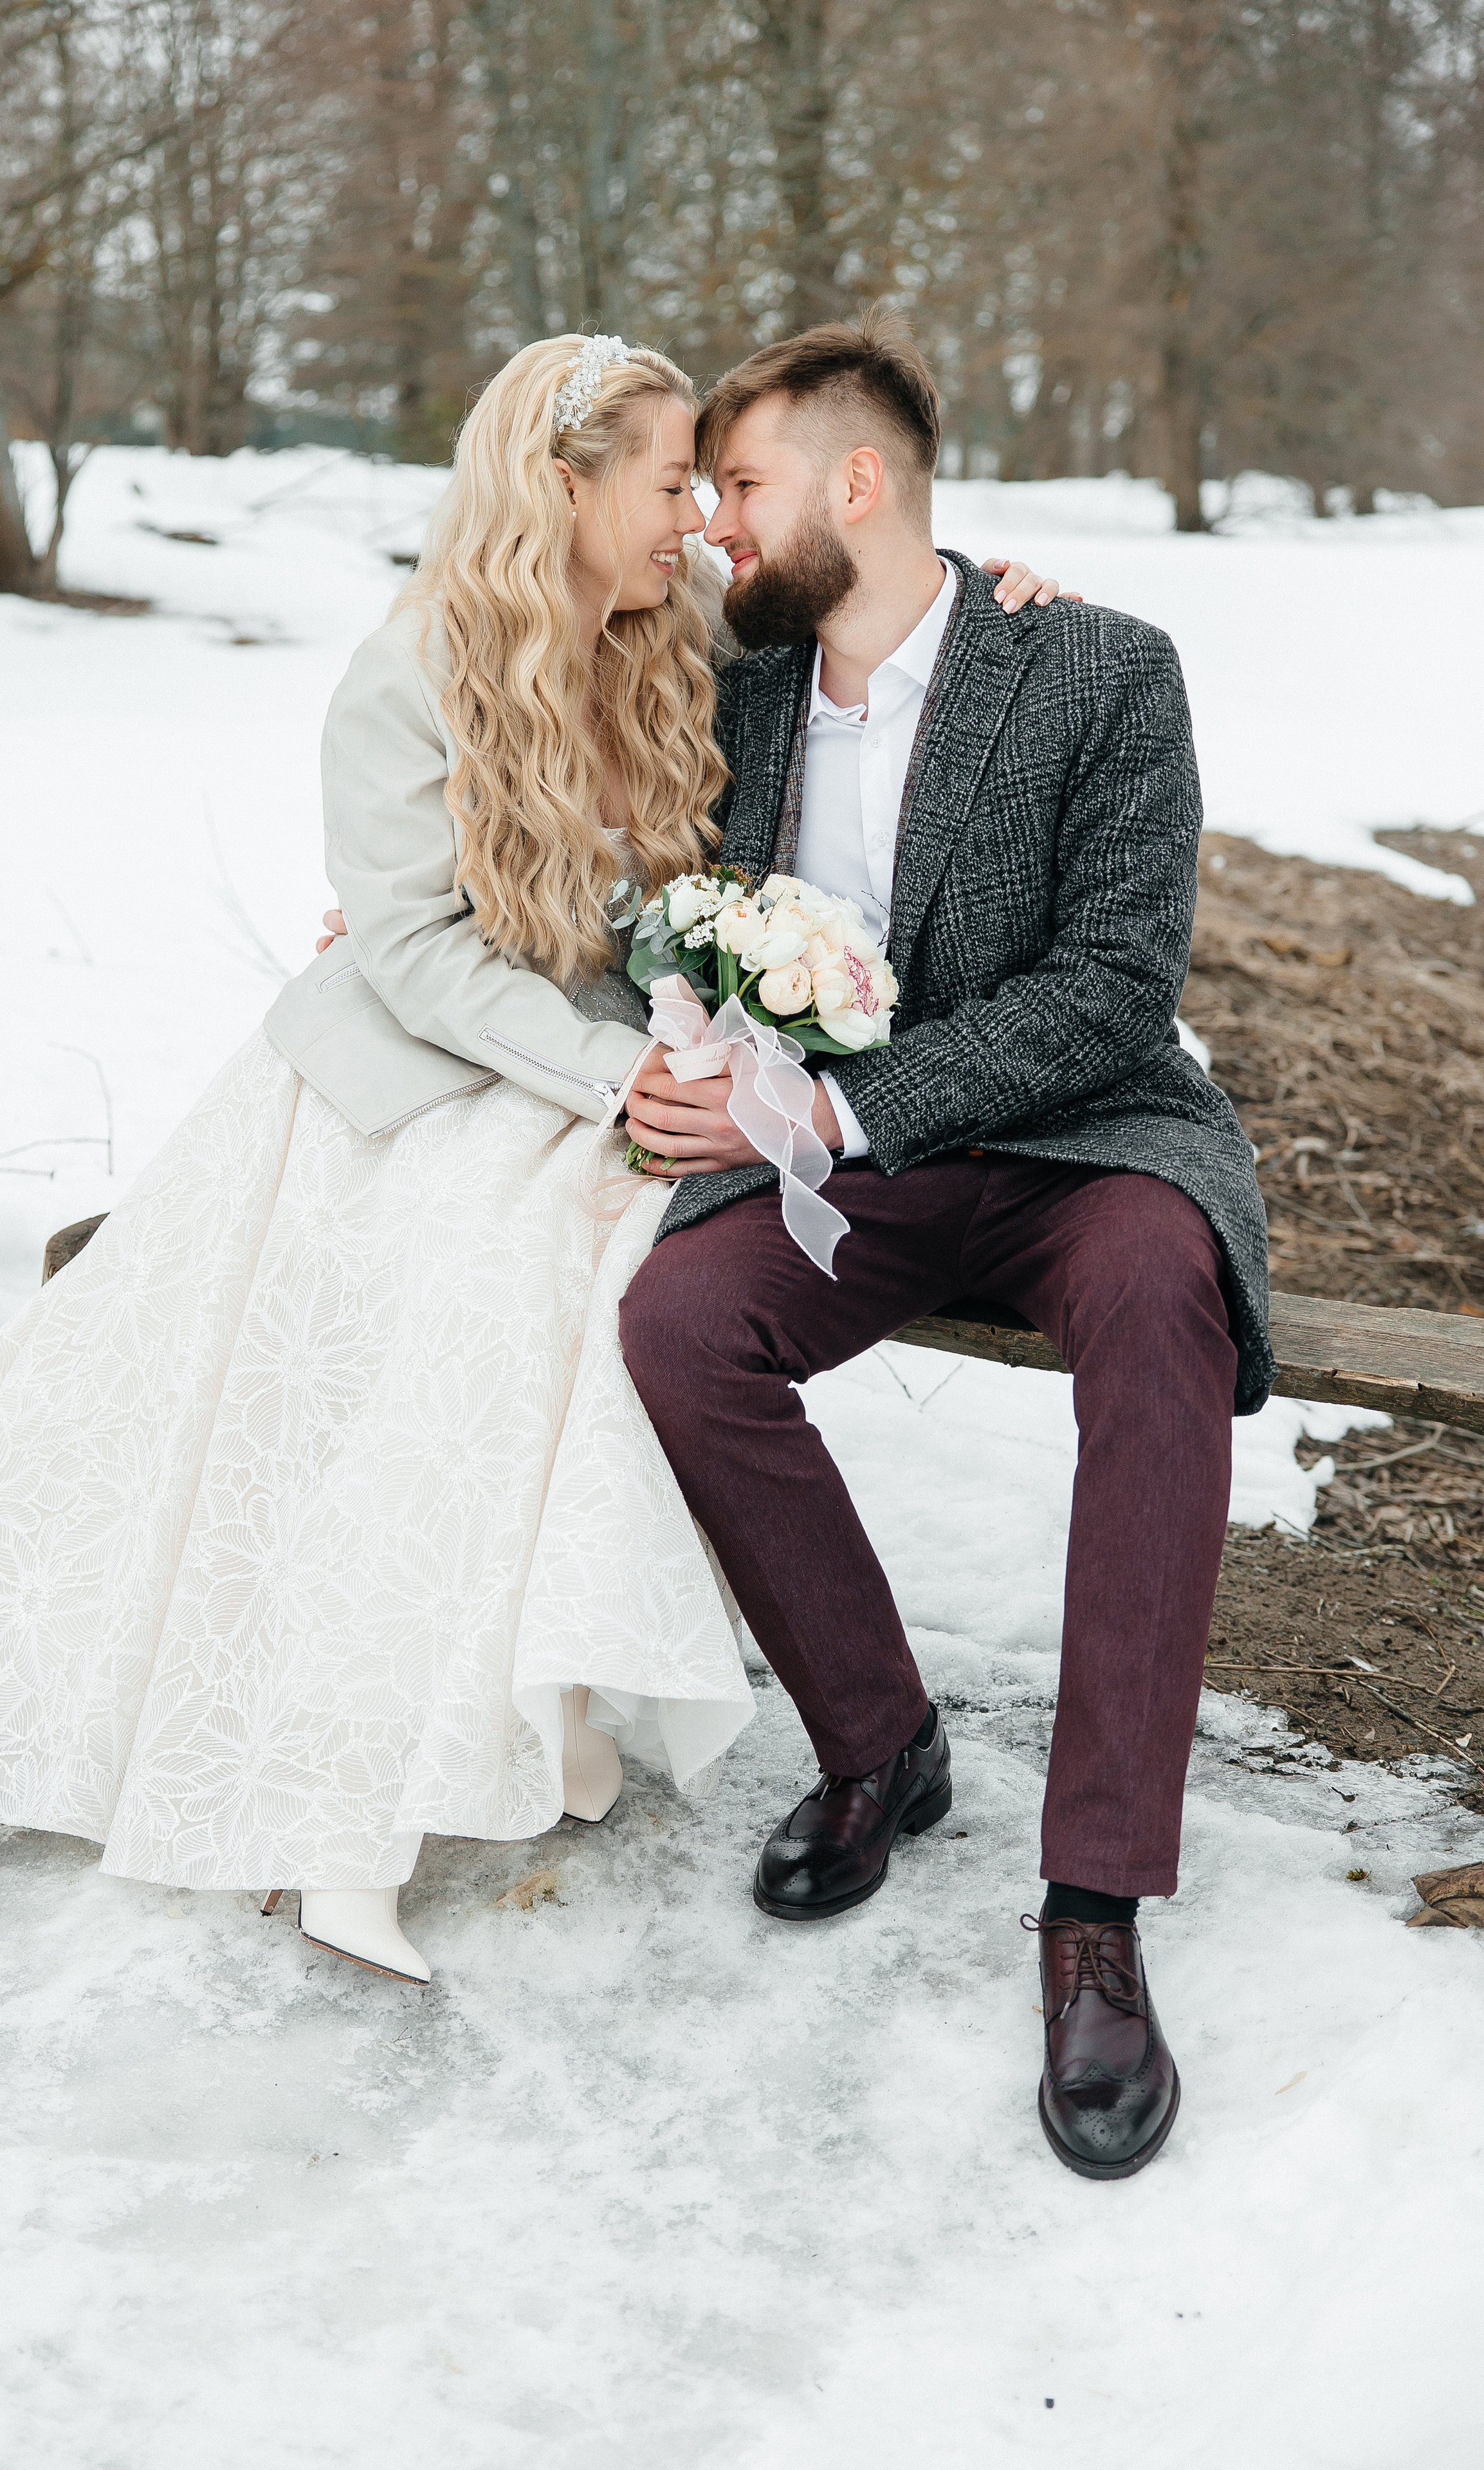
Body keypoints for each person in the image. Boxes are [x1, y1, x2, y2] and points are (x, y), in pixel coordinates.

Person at [0, 324, 1066, 1991]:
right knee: (466, 1301)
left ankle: (518, 1690)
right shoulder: (408, 671)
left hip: (602, 1077)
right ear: (557, 488)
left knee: (614, 1279)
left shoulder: (680, 638)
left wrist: (995, 596)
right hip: (402, 1086)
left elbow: (866, 612)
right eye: (662, 485)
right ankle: (345, 1801)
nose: (697, 521)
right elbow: (415, 961)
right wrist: (620, 1076)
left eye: (711, 489)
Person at [605, 308, 1270, 2181]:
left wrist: (847, 1104)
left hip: (1080, 1136)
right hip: (850, 1171)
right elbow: (621, 870)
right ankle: (881, 1739)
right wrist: (426, 923)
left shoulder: (1104, 670)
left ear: (861, 482)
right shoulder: (734, 696)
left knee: (1162, 1294)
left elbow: (1118, 985)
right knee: (681, 1322)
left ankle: (1096, 1905)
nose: (724, 525)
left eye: (744, 484)